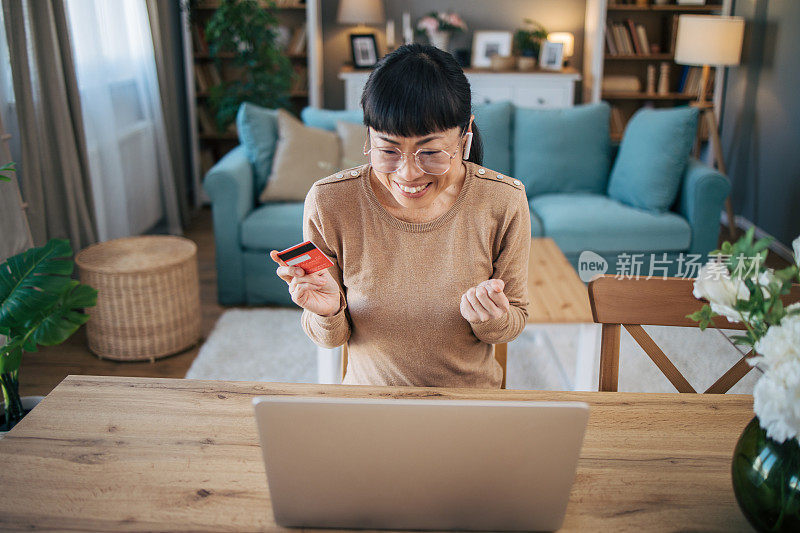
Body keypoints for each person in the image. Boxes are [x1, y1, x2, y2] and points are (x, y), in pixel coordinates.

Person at [270, 43, 530, 388]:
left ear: (465, 133)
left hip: (470, 407)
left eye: (431, 152)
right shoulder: (330, 202)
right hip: (369, 408)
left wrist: (492, 319)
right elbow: (329, 339)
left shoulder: (503, 201)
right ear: (368, 136)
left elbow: (515, 319)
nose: (407, 174)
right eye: (388, 150)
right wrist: (327, 312)